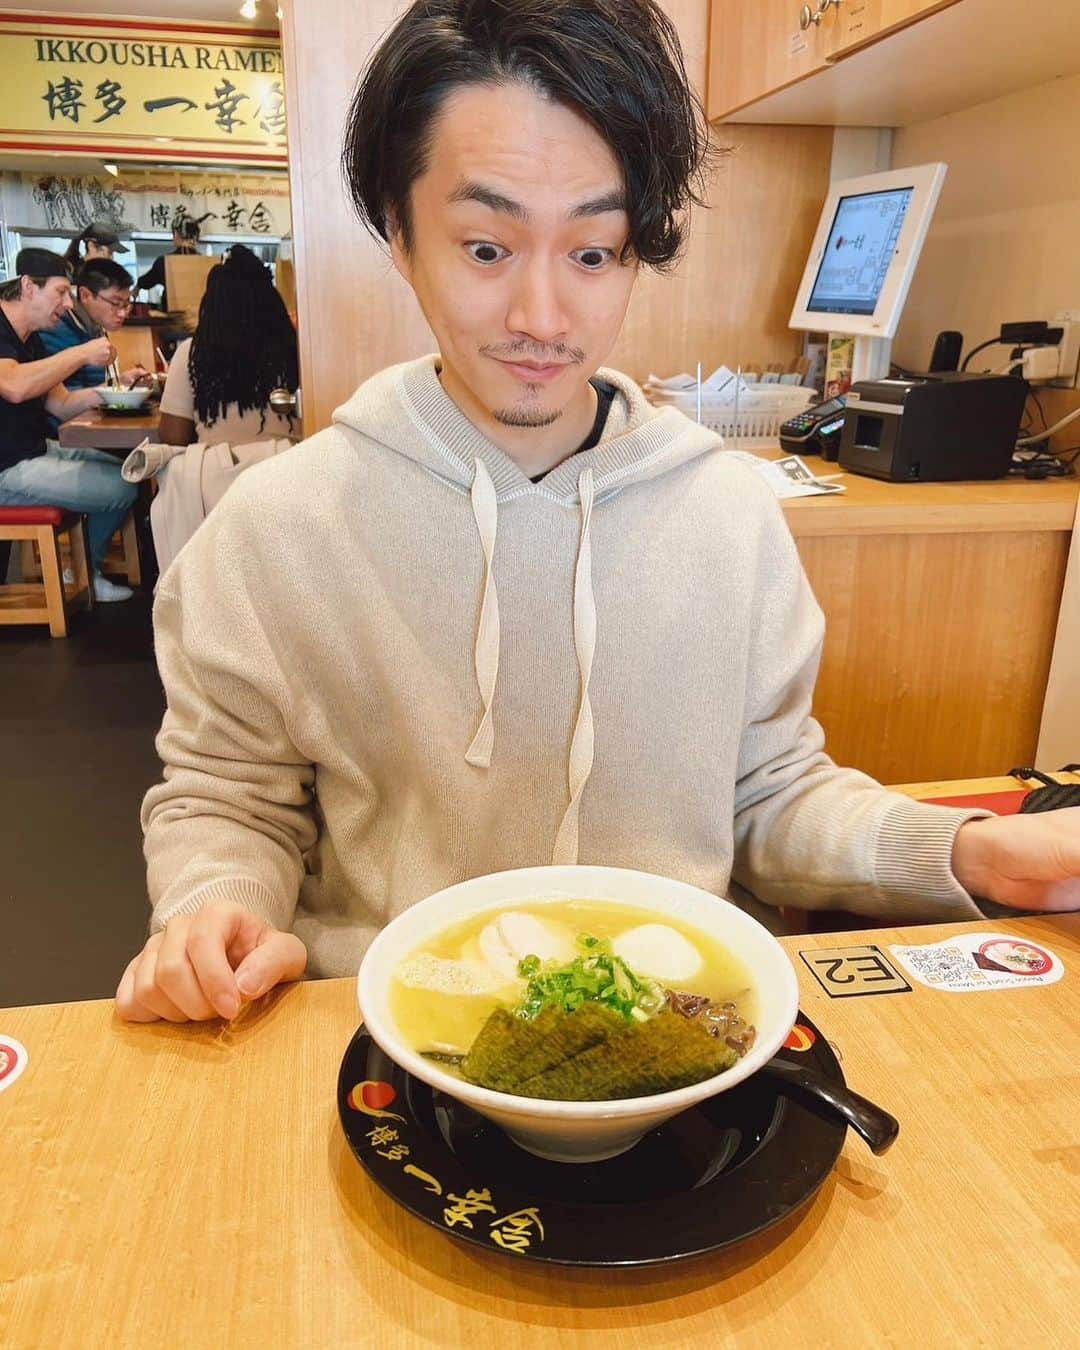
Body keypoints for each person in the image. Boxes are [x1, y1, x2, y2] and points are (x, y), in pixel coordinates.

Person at [116, 0, 1079, 1025]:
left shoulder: (725, 514)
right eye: (486, 248)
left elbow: (766, 793)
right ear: (399, 235)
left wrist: (970, 851)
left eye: (593, 252)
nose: (542, 316)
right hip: (392, 1038)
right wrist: (215, 907)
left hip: (680, 1037)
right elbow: (228, 796)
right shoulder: (280, 526)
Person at [0, 248, 138, 602]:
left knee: (132, 468)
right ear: (29, 286)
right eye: (60, 292)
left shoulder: (32, 340)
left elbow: (61, 405)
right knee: (121, 488)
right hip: (7, 469)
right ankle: (82, 576)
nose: (67, 303)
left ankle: (81, 572)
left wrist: (116, 391)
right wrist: (82, 353)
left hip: (33, 451)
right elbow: (14, 386)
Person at [157, 244, 299, 447]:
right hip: (287, 472)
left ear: (212, 304)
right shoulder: (295, 350)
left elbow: (173, 437)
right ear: (272, 300)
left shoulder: (192, 353)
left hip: (218, 476)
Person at [39, 257, 149, 436]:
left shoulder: (92, 327)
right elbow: (63, 405)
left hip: (89, 428)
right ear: (85, 295)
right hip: (64, 437)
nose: (122, 313)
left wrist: (121, 383)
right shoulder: (56, 330)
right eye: (115, 303)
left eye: (126, 304)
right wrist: (116, 392)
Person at [136, 217, 205, 311]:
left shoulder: (164, 261)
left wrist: (136, 289)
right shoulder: (207, 264)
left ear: (176, 234)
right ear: (197, 236)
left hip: (172, 319)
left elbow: (145, 282)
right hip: (201, 319)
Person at [62, 221, 129, 272]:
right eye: (109, 253)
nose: (111, 258)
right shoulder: (70, 271)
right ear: (91, 246)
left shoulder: (105, 274)